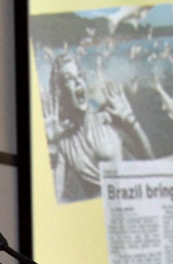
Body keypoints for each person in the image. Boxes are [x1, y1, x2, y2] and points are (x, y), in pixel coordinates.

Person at [43, 53, 154, 203]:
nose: (77, 82)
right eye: (69, 79)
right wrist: (51, 143)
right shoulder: (64, 142)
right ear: (61, 91)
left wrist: (131, 122)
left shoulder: (108, 118)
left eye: (79, 76)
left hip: (132, 200)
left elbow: (150, 162)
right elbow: (57, 198)